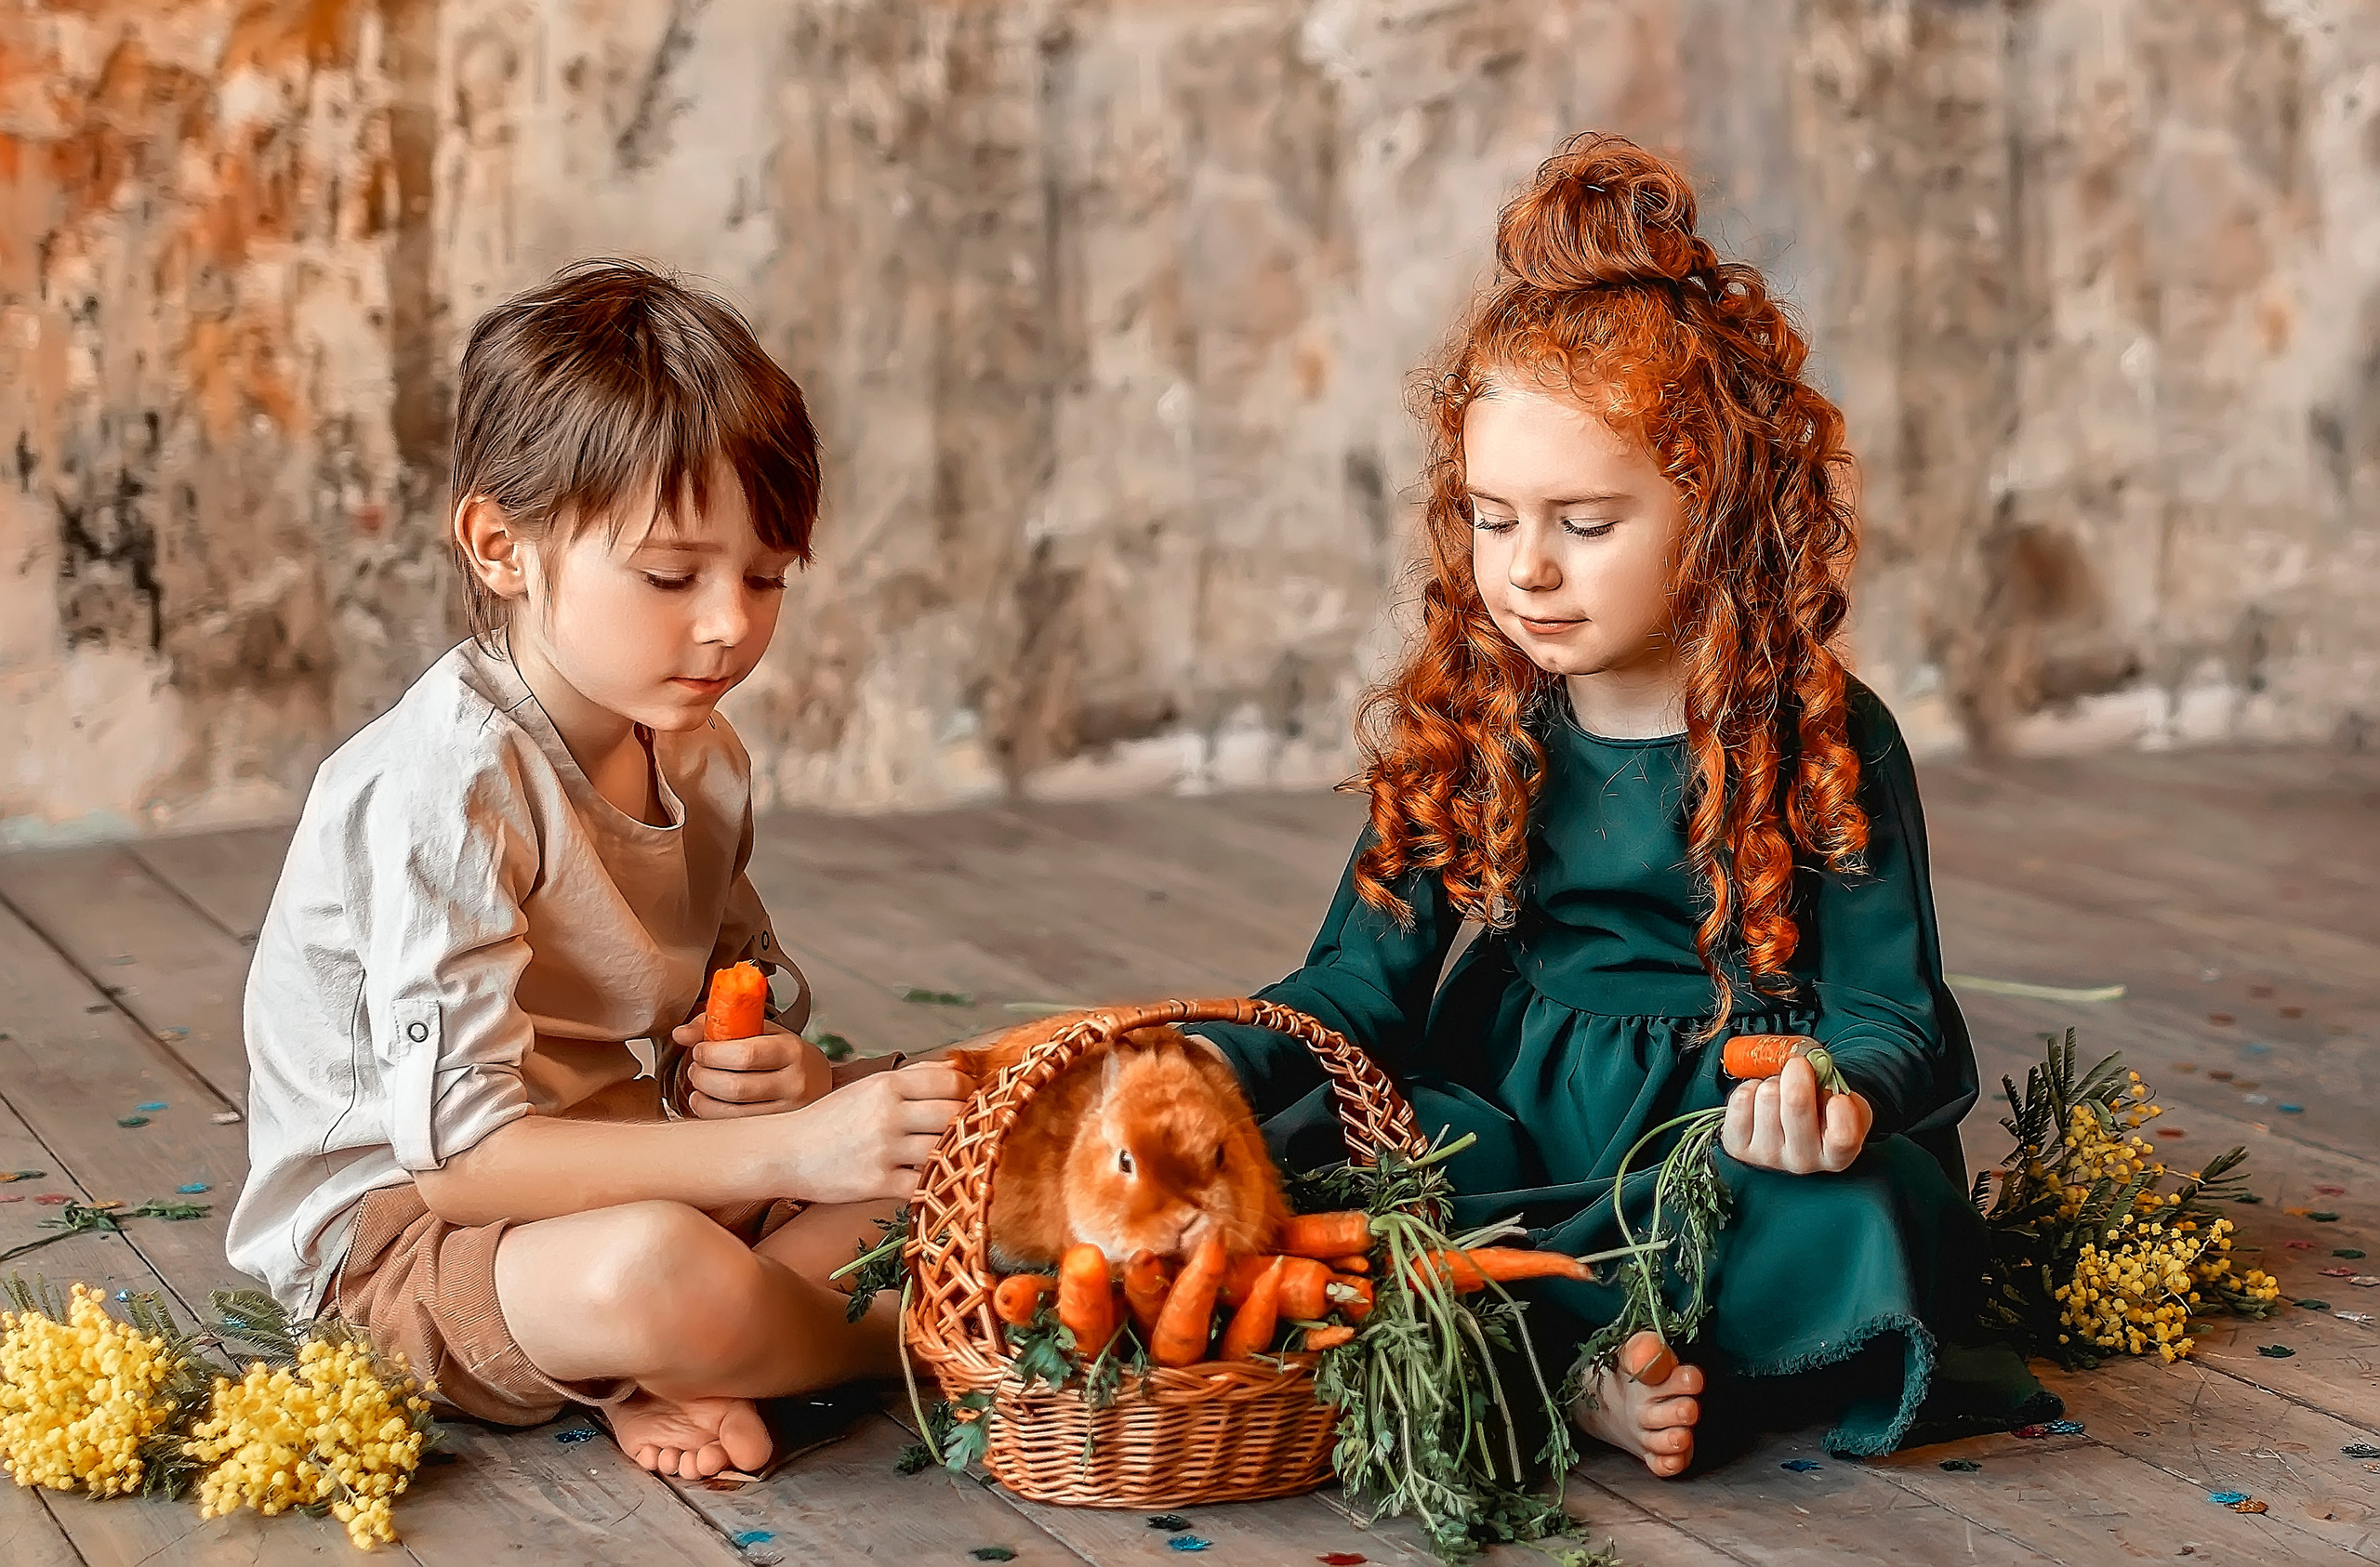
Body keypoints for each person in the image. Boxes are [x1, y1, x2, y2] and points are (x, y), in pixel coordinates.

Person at [1192, 134, 2054, 1478]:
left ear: (1711, 513)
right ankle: (1587, 1362)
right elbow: (1359, 986)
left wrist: (1837, 1091)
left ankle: (1563, 1343)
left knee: (1868, 1212)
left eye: (1584, 523)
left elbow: (1896, 1012)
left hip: (1724, 1127)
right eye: (1490, 517)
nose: (1524, 570)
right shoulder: (1475, 717)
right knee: (1374, 1166)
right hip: (1526, 1112)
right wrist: (1212, 1061)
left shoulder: (1824, 732)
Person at [226, 259, 972, 1481]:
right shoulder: (451, 784)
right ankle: (905, 1334)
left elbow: (734, 1028)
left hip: (638, 1157)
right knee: (651, 1272)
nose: (728, 622)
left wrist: (780, 1076)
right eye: (673, 576)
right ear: (501, 547)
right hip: (416, 1241)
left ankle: (704, 1351)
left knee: (965, 1118)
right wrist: (790, 1156)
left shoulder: (700, 752)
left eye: (767, 575)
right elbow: (464, 1165)